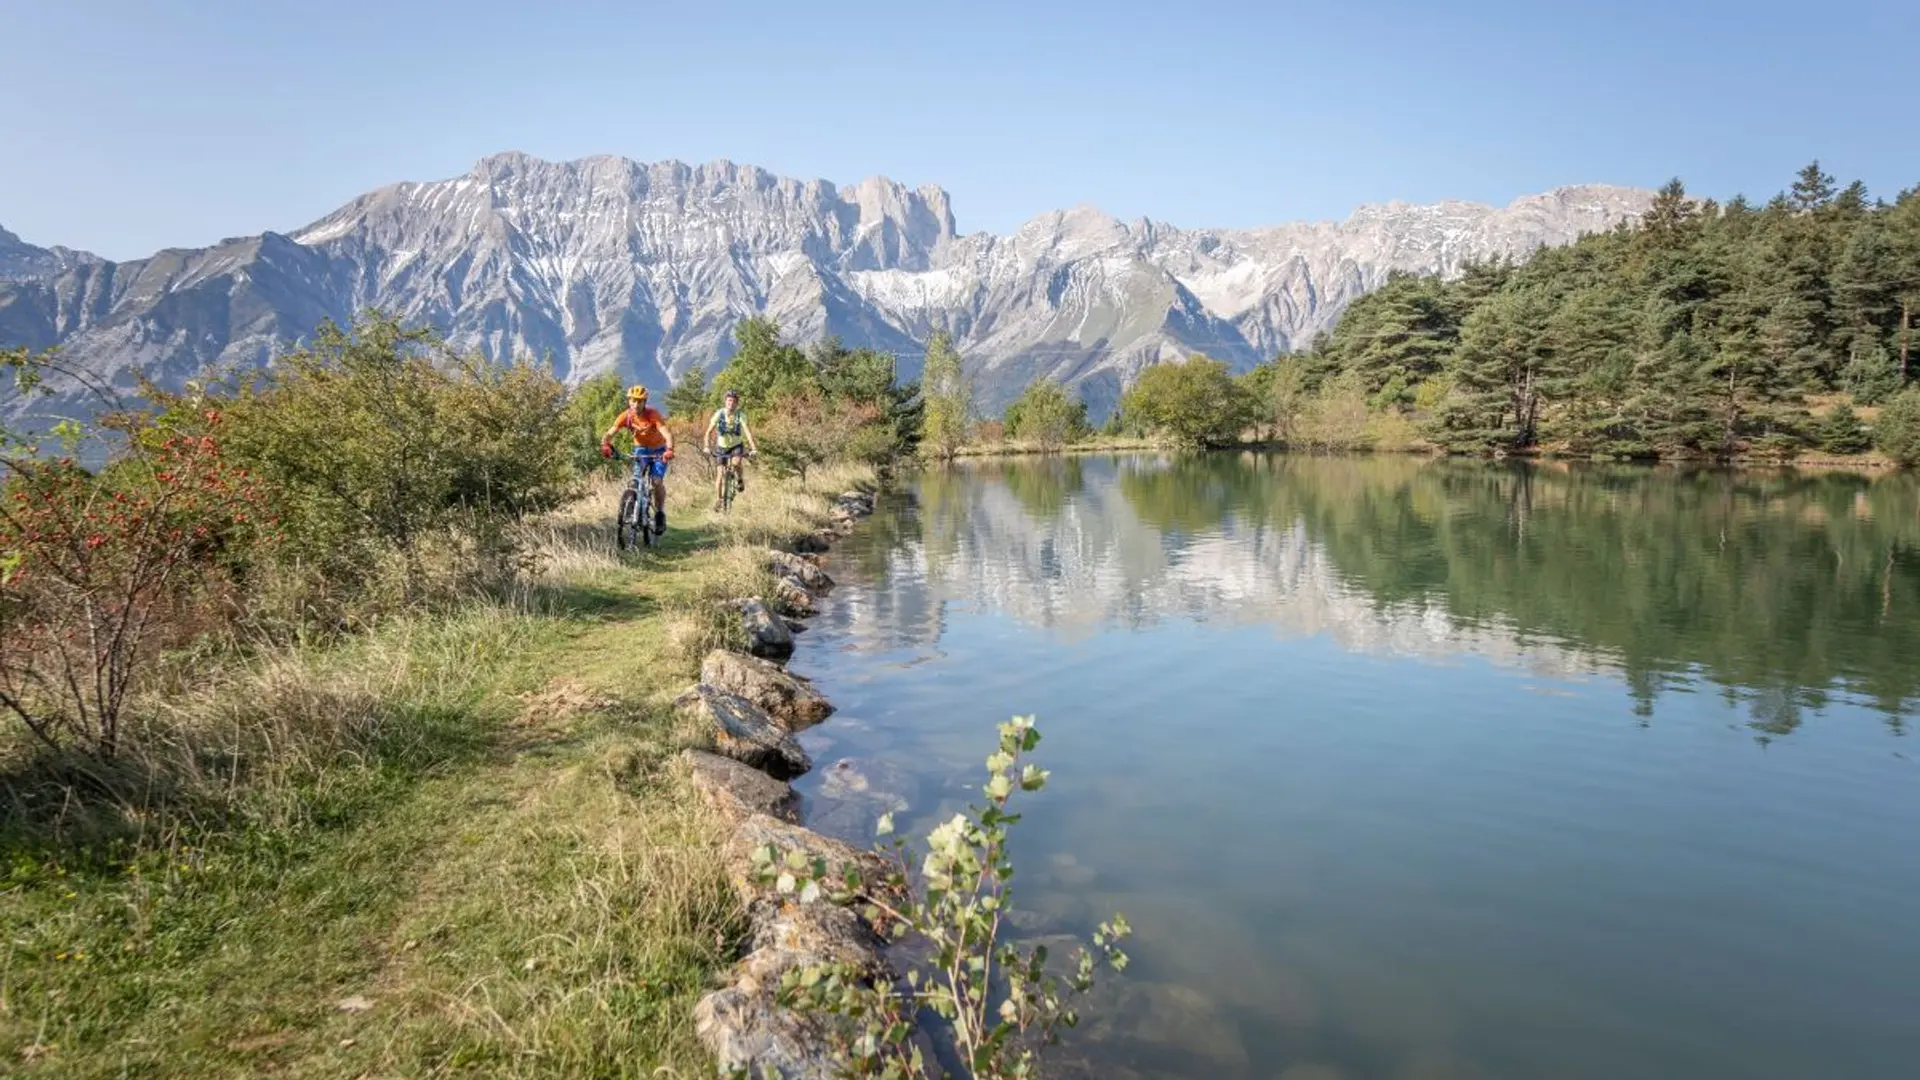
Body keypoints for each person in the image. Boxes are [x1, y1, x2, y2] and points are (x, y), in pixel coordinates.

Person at [600, 385, 674, 533]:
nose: (635, 404)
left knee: (656, 481)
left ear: (644, 402)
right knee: (635, 481)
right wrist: (605, 445)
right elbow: (610, 432)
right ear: (629, 401)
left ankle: (659, 513)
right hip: (640, 450)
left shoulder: (652, 414)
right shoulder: (626, 416)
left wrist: (669, 450)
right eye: (633, 401)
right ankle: (631, 509)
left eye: (639, 401)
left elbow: (667, 434)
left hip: (659, 450)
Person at [704, 388, 758, 510]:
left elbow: (748, 433)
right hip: (721, 447)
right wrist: (706, 447)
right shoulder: (719, 414)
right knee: (720, 474)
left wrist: (753, 448)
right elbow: (708, 432)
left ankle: (739, 479)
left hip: (736, 446)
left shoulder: (740, 415)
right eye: (729, 401)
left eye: (733, 401)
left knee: (736, 462)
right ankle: (719, 499)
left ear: (737, 403)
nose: (731, 403)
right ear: (725, 401)